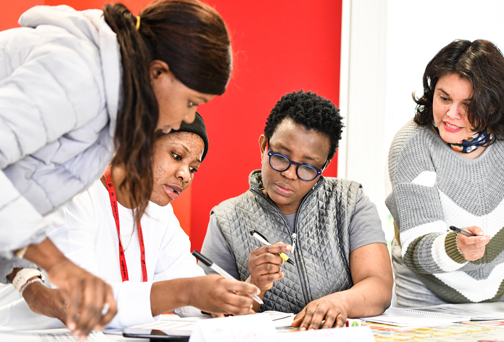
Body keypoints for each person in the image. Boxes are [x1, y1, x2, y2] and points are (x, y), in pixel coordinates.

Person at [0, 0, 231, 337]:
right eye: (192, 101)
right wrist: (57, 264)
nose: (187, 118)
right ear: (157, 72)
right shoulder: (79, 73)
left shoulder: (107, 117)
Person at [0, 114, 260, 329]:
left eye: (194, 168)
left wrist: (220, 300)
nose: (185, 175)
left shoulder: (160, 215)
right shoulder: (77, 196)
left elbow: (191, 292)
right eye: (177, 156)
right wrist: (188, 291)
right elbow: (85, 306)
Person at [200, 90, 393, 330]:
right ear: (263, 146)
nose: (289, 174)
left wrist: (338, 302)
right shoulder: (226, 218)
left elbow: (379, 286)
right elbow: (213, 311)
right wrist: (254, 284)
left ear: (324, 166)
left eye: (308, 167)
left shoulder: (350, 201)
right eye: (280, 156)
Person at [385, 39, 504, 307]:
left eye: (468, 104)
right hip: (428, 294)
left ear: (492, 104)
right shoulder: (411, 145)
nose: (452, 114)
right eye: (444, 98)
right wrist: (457, 247)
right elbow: (416, 247)